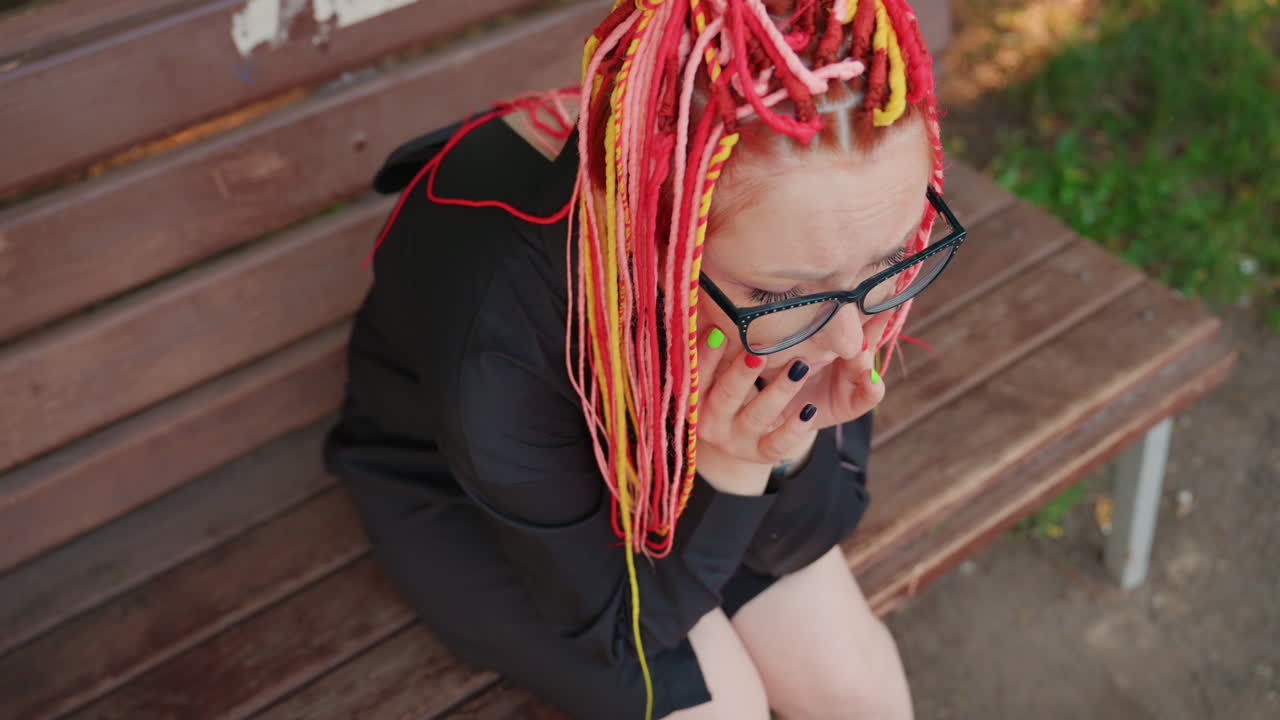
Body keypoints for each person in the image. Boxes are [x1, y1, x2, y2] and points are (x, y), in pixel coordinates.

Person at [325, 1, 963, 717]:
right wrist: (736, 468)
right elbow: (629, 628)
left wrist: (779, 450)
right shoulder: (503, 316)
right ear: (661, 232)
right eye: (783, 289)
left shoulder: (821, 254)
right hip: (469, 496)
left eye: (886, 261)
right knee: (721, 707)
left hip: (682, 452)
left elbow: (817, 524)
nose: (850, 340)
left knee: (854, 687)